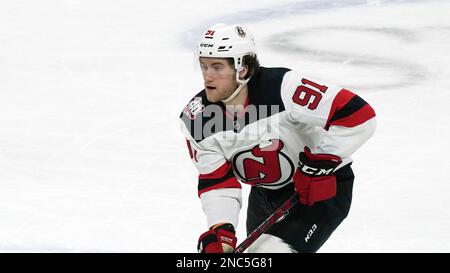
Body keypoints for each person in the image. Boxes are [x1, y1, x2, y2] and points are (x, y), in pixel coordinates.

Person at [179, 23, 376, 253]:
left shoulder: (284, 88)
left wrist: (319, 164)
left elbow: (358, 115)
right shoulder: (198, 119)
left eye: (217, 67)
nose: (207, 76)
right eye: (203, 66)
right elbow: (217, 181)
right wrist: (222, 231)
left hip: (322, 190)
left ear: (242, 69)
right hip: (266, 194)